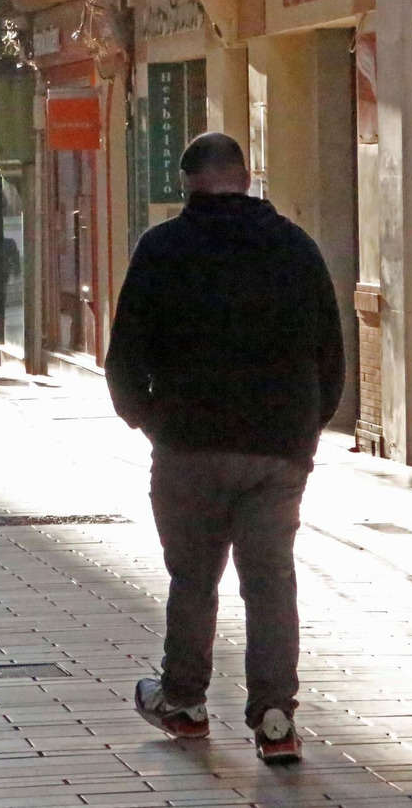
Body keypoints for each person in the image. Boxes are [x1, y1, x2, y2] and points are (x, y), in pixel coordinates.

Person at [104, 133, 343, 766]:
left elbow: (125, 353)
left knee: (194, 578)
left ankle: (183, 701)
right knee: (271, 583)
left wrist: (147, 420)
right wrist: (302, 432)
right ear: (246, 177)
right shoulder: (295, 246)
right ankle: (274, 717)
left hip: (189, 444)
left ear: (187, 182)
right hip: (277, 449)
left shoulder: (161, 249)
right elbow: (330, 354)